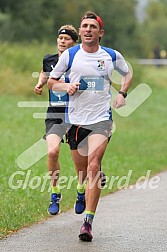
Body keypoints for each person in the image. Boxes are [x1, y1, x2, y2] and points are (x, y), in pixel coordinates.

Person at [47, 11, 132, 242]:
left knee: (93, 165)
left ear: (100, 32)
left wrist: (122, 93)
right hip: (75, 121)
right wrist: (67, 88)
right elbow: (52, 82)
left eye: (92, 26)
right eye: (84, 26)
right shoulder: (70, 55)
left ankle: (88, 222)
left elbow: (128, 72)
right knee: (83, 171)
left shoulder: (112, 56)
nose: (87, 29)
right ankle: (88, 185)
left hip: (101, 119)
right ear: (81, 30)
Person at [34, 25, 79, 215]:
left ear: (74, 43)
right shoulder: (49, 59)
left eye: (67, 39)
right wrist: (40, 83)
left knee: (81, 159)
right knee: (52, 152)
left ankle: (82, 191)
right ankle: (55, 192)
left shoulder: (80, 60)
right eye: (60, 38)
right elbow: (45, 72)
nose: (62, 41)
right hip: (55, 113)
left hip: (78, 113)